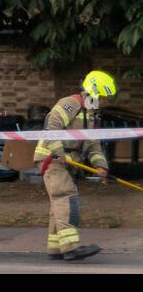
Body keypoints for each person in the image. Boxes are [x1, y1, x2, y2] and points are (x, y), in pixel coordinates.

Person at [32, 71, 116, 262]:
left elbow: (92, 144)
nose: (105, 102)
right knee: (66, 198)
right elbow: (51, 125)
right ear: (93, 92)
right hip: (52, 159)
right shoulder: (71, 104)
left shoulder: (91, 115)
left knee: (59, 202)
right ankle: (71, 248)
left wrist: (100, 165)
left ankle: (56, 248)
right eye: (103, 97)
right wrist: (59, 153)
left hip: (64, 161)